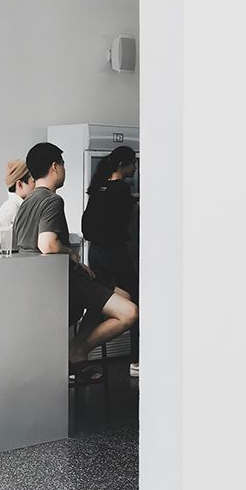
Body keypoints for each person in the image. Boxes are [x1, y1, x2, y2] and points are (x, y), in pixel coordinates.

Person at [14, 141, 138, 372]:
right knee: (129, 313)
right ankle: (78, 350)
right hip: (64, 282)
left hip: (42, 284)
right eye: (62, 164)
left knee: (122, 294)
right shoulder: (52, 200)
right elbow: (47, 244)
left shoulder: (27, 201)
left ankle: (77, 349)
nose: (64, 169)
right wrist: (72, 254)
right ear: (55, 166)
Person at [83, 146, 141, 376]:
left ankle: (79, 349)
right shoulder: (121, 189)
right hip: (115, 253)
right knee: (135, 301)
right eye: (133, 163)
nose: (135, 168)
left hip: (95, 253)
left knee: (99, 301)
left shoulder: (97, 188)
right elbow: (126, 219)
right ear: (121, 165)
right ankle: (136, 360)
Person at [0, 160, 34, 253]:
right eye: (34, 181)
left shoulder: (19, 208)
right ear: (19, 184)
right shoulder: (10, 210)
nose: (37, 186)